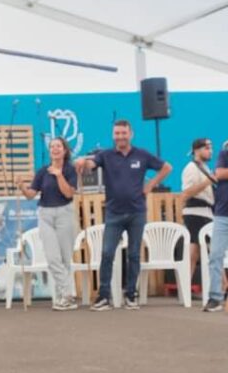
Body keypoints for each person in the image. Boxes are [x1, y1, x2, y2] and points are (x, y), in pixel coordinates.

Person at [75, 120, 172, 310]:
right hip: (113, 213)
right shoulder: (106, 155)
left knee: (134, 254)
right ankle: (104, 296)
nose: (120, 136)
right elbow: (90, 163)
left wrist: (151, 185)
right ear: (113, 135)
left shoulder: (142, 154)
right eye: (117, 133)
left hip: (137, 212)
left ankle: (131, 295)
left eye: (123, 133)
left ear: (131, 134)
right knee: (107, 253)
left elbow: (167, 167)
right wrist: (81, 161)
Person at [17, 137, 79, 310]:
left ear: (65, 150)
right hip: (45, 213)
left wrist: (59, 176)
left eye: (58, 146)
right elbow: (31, 194)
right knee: (52, 257)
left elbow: (68, 193)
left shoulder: (70, 170)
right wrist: (22, 187)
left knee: (65, 257)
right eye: (52, 147)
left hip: (64, 213)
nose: (55, 149)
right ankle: (68, 293)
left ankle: (63, 297)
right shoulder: (43, 171)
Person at [180, 138, 215, 293]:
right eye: (207, 148)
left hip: (206, 212)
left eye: (211, 148)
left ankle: (185, 287)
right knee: (213, 250)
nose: (210, 151)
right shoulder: (191, 168)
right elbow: (187, 193)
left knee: (194, 253)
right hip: (196, 213)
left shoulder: (205, 168)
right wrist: (208, 181)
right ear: (197, 150)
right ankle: (223, 286)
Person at [203, 143, 228, 312]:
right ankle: (215, 298)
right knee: (215, 255)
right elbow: (219, 173)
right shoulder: (224, 153)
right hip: (222, 214)